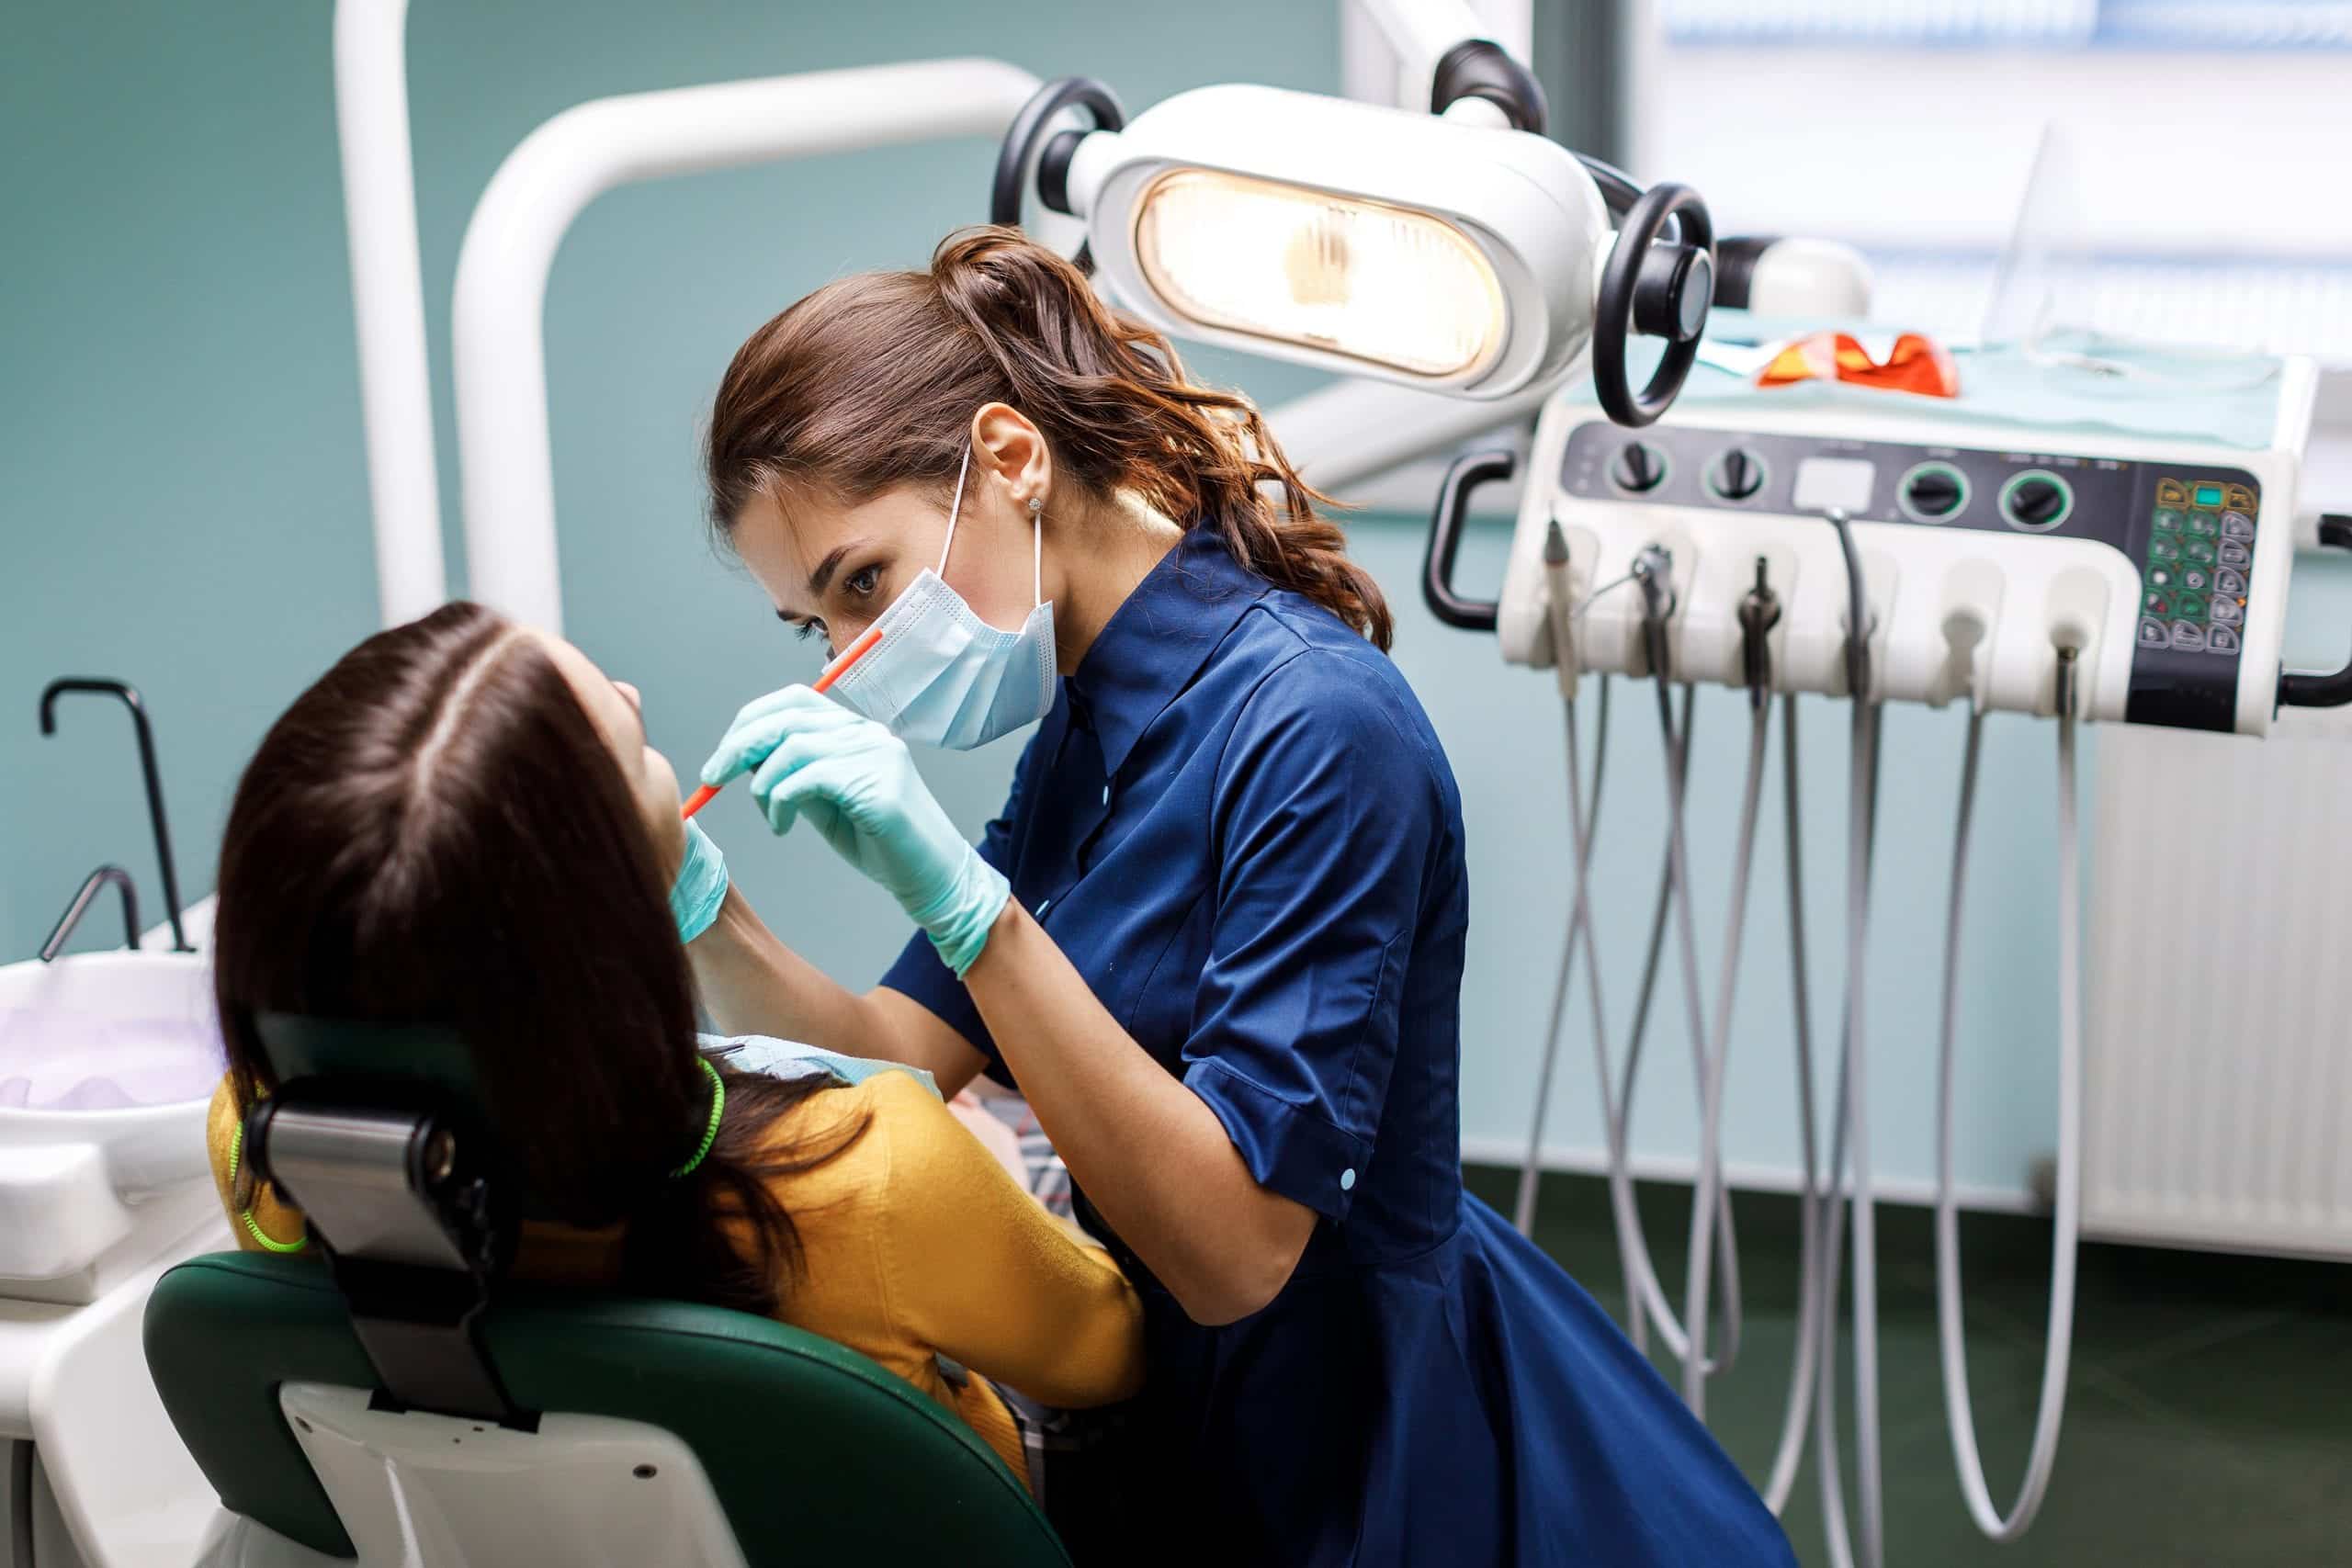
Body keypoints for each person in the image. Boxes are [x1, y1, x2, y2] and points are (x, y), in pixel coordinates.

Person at [674, 225, 1795, 1565]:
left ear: (1012, 460)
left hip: (1352, 1425)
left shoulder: (1318, 728)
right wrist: (697, 901)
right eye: (818, 626)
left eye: (864, 583)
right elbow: (902, 1058)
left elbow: (1237, 1250)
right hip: (1171, 1410)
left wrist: (980, 910)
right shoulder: (1084, 723)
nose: (853, 662)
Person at [201, 602, 1142, 1491]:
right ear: (606, 940)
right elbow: (1106, 1353)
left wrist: (689, 896)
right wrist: (985, 1168)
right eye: (626, 737)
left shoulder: (266, 1149)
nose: (636, 698)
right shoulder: (876, 1174)